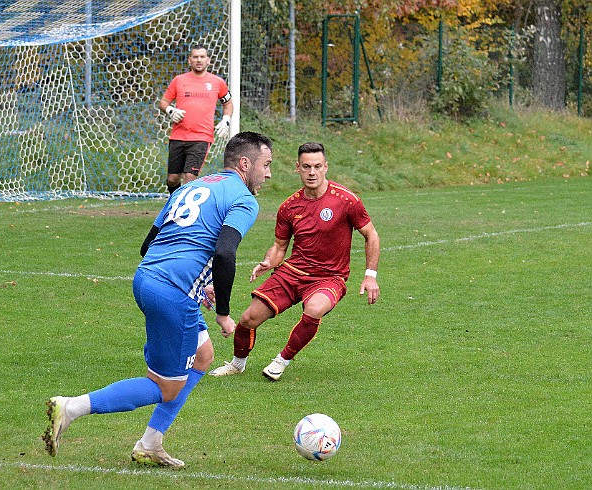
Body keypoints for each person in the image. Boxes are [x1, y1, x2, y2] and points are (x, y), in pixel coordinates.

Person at [42, 132, 273, 468]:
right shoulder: (243, 200)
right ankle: (71, 407)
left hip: (147, 279)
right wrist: (223, 313)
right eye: (266, 166)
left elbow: (148, 246)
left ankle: (151, 443)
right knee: (166, 387)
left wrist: (201, 282)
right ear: (244, 164)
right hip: (173, 294)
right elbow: (225, 252)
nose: (268, 174)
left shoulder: (191, 187)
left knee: (203, 356)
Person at [209, 141, 380, 381]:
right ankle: (237, 364)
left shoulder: (346, 200)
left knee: (315, 308)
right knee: (248, 319)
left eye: (317, 166)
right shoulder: (289, 206)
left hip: (329, 277)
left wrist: (370, 275)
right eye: (306, 166)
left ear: (326, 167)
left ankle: (281, 361)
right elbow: (280, 246)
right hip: (292, 272)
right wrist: (269, 261)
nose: (312, 172)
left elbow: (371, 234)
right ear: (297, 168)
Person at [160, 44, 234, 194]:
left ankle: (184, 210)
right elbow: (163, 102)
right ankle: (175, 201)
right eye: (195, 57)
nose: (199, 60)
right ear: (189, 60)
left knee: (190, 176)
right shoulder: (179, 80)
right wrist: (170, 110)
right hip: (178, 136)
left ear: (208, 60)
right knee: (173, 179)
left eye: (202, 57)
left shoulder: (217, 82)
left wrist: (226, 120)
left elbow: (228, 103)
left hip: (201, 137)